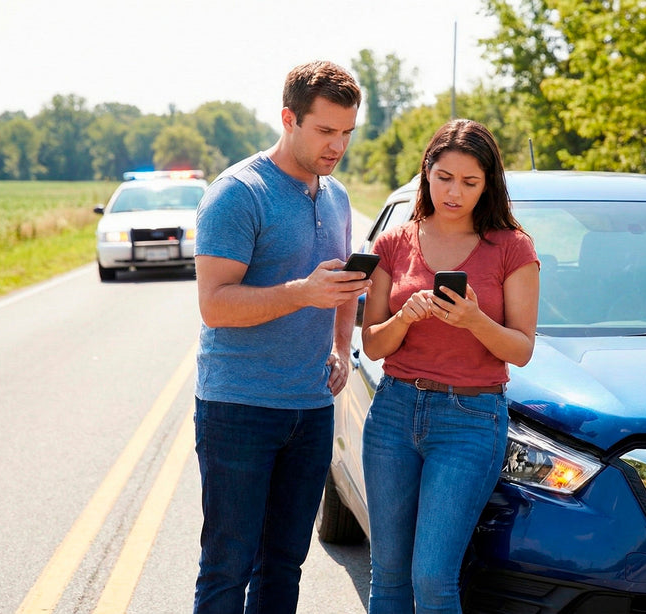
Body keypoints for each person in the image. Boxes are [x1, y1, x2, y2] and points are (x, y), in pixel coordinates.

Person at [191, 60, 370, 614]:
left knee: (284, 566)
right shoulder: (237, 194)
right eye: (324, 131)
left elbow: (339, 285)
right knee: (228, 567)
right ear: (289, 118)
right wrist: (300, 293)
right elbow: (215, 305)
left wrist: (342, 346)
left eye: (347, 132)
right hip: (239, 407)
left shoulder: (337, 196)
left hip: (312, 408)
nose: (337, 145)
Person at [360, 119, 540, 613]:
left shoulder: (512, 247)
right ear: (426, 172)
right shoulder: (394, 243)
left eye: (469, 182)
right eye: (444, 177)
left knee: (433, 577)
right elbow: (372, 344)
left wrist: (474, 319)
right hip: (394, 412)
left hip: (470, 420)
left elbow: (521, 349)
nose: (454, 193)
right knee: (389, 576)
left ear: (488, 186)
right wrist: (402, 317)